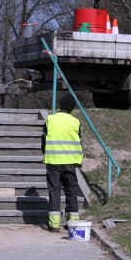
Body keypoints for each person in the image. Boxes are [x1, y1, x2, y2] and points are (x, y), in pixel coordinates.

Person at [41, 94, 84, 233]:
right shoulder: (75, 122)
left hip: (53, 160)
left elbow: (43, 141)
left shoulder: (50, 119)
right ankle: (73, 223)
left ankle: (54, 225)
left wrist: (46, 153)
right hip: (70, 161)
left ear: (60, 105)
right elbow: (79, 141)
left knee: (54, 190)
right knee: (71, 191)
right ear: (72, 108)